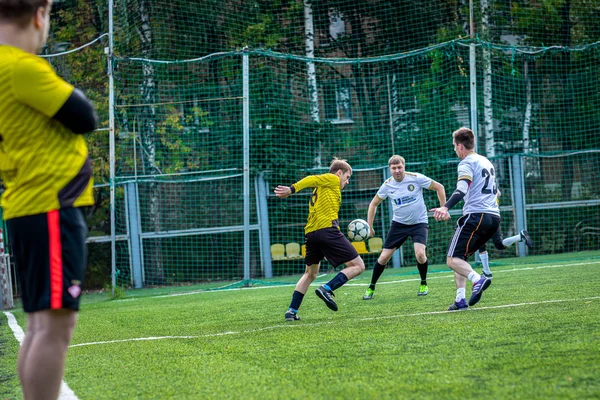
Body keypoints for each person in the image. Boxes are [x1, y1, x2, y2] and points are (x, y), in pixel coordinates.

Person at [0, 0, 98, 398]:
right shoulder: (21, 67)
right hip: (50, 208)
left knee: (41, 325)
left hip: (28, 207)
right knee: (54, 329)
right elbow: (84, 115)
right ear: (40, 15)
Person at [275, 158, 366, 321]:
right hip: (327, 231)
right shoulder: (331, 179)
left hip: (312, 234)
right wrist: (291, 189)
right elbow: (311, 179)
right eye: (347, 177)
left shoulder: (325, 188)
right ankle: (327, 288)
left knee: (310, 273)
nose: (347, 182)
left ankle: (291, 310)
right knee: (358, 265)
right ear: (339, 173)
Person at [430, 127, 500, 311]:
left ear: (460, 146)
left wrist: (445, 207)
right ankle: (460, 299)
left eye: (455, 146)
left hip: (475, 216)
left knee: (452, 260)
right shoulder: (486, 161)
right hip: (494, 217)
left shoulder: (466, 163)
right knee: (460, 258)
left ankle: (478, 279)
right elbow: (496, 191)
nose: (454, 150)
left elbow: (462, 189)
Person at [362, 155, 446, 300]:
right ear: (390, 170)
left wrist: (444, 208)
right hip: (399, 225)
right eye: (394, 168)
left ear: (404, 167)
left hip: (419, 223)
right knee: (383, 258)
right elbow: (373, 204)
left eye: (399, 167)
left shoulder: (416, 178)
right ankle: (371, 287)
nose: (397, 171)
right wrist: (369, 226)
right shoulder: (387, 185)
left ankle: (423, 284)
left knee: (420, 254)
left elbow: (439, 187)